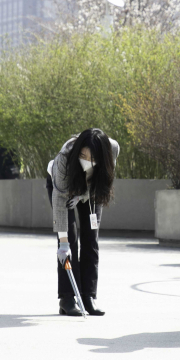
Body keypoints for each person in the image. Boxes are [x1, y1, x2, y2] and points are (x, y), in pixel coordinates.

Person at [46, 129, 120, 317]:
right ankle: (68, 298)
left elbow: (105, 180)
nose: (86, 160)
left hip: (90, 190)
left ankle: (88, 296)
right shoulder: (65, 156)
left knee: (90, 240)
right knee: (69, 240)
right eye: (82, 155)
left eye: (91, 157)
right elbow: (60, 200)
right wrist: (63, 243)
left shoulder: (112, 148)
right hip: (63, 188)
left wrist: (85, 195)